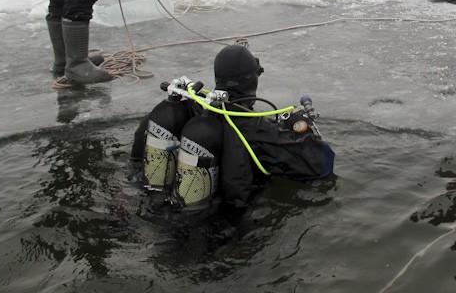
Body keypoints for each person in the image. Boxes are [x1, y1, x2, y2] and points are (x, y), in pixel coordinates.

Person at [131, 44, 335, 213]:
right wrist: (299, 127)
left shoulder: (191, 110)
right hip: (220, 228)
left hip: (156, 204)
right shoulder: (257, 130)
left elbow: (141, 142)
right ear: (253, 79)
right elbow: (321, 165)